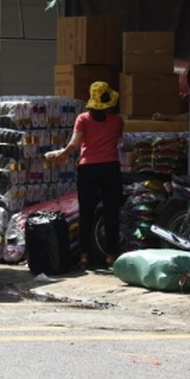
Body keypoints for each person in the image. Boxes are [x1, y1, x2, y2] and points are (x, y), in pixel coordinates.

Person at [45, 81, 123, 270]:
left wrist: (60, 155)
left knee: (86, 213)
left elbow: (74, 144)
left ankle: (84, 256)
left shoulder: (83, 119)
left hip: (88, 169)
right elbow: (117, 140)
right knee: (111, 212)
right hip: (111, 169)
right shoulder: (117, 121)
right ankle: (111, 255)